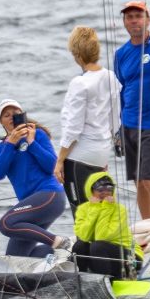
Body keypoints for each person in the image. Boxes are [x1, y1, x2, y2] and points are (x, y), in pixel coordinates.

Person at [115, 0, 150, 223]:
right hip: (129, 124)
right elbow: (121, 90)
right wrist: (119, 129)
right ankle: (149, 226)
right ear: (124, 22)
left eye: (138, 16)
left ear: (148, 19)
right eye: (129, 17)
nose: (134, 20)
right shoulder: (121, 54)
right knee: (138, 181)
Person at [0, 99, 65, 259]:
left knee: (6, 223)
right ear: (1, 122)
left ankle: (58, 242)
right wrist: (11, 144)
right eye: (6, 115)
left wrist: (31, 142)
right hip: (32, 205)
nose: (11, 117)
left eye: (15, 114)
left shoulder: (38, 135)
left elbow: (52, 166)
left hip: (49, 195)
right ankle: (53, 258)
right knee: (15, 259)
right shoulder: (0, 147)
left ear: (23, 115)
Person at [57, 25, 121, 211]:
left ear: (76, 53)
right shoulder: (111, 77)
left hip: (79, 157)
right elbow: (115, 121)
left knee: (82, 214)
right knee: (99, 211)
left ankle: (84, 241)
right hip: (100, 154)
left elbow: (73, 127)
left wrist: (60, 160)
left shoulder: (80, 83)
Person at [71, 171, 139, 278]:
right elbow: (83, 236)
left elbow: (102, 236)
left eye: (109, 188)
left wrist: (106, 208)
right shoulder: (83, 209)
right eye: (100, 189)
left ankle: (105, 283)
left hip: (129, 257)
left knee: (97, 246)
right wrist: (95, 208)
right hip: (103, 254)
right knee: (80, 245)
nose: (106, 192)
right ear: (91, 191)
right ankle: (81, 280)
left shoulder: (119, 209)